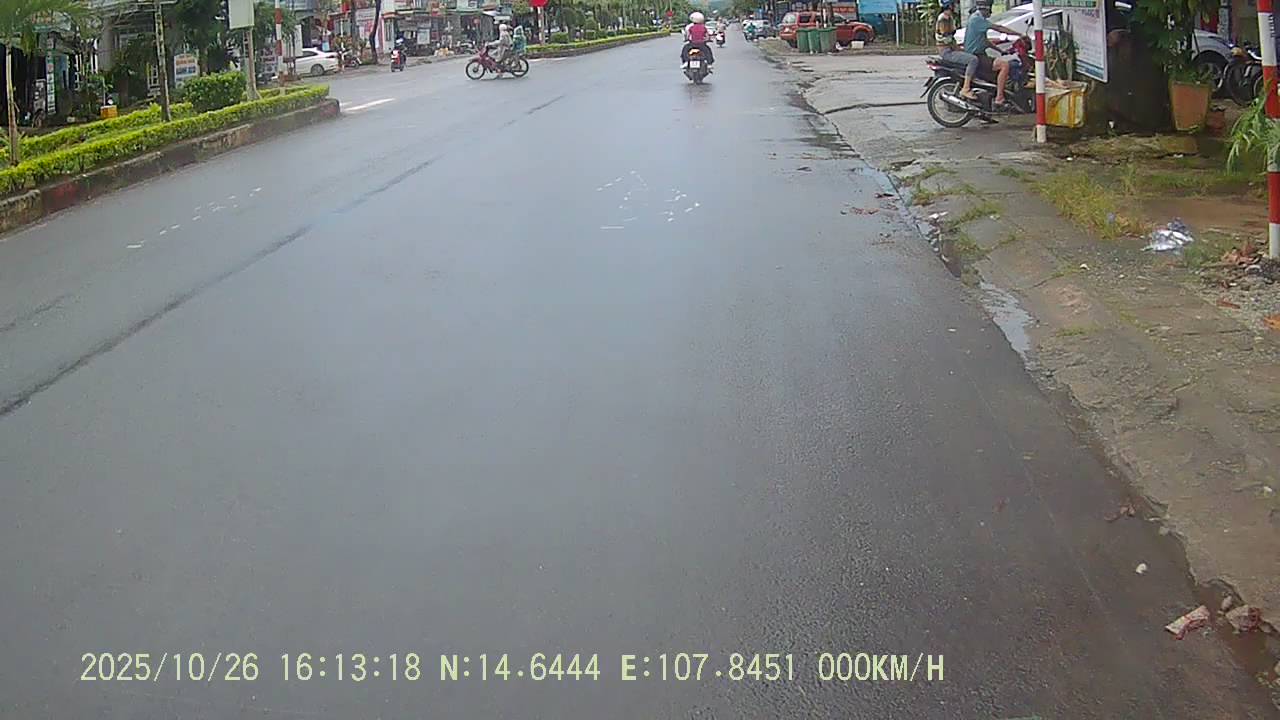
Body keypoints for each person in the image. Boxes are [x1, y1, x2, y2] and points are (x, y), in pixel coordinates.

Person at [963, 0, 1027, 106]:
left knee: (1001, 64)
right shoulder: (977, 19)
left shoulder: (976, 18)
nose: (991, 12)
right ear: (985, 9)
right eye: (990, 9)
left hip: (979, 54)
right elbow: (998, 28)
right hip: (977, 56)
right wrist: (1019, 34)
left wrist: (1001, 51)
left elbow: (985, 41)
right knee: (1004, 65)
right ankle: (999, 97)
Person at [935, 0, 977, 100]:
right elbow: (946, 37)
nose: (955, 7)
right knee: (973, 60)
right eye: (954, 5)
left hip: (950, 48)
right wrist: (958, 48)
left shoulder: (949, 18)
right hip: (947, 51)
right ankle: (966, 88)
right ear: (949, 6)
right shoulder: (943, 19)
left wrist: (960, 47)